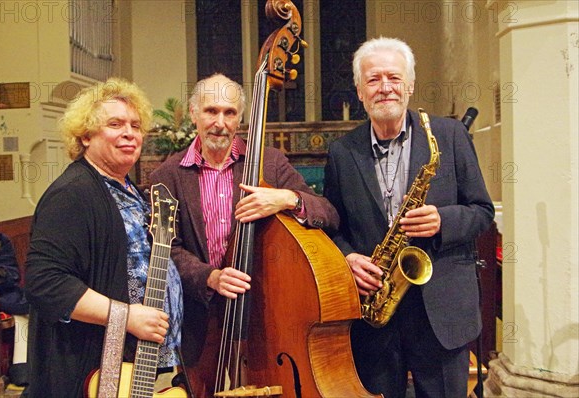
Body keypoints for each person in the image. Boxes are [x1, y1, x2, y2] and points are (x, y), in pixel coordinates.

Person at [323, 37, 495, 398]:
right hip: (375, 317)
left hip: (441, 314)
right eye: (373, 79)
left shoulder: (449, 136)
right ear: (359, 90)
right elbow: (334, 227)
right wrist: (347, 259)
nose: (385, 87)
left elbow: (482, 212)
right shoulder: (341, 152)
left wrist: (443, 221)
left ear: (410, 85)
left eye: (394, 77)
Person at [149, 73, 339, 368]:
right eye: (211, 111)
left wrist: (287, 198)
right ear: (193, 113)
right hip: (201, 320)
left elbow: (327, 213)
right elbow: (165, 249)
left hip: (264, 314)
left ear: (240, 118)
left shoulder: (270, 163)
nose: (220, 123)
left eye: (230, 112)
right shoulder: (167, 175)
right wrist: (210, 276)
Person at [24, 78, 183, 397]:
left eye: (136, 125)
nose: (129, 133)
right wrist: (127, 316)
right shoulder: (72, 194)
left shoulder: (127, 191)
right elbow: (45, 283)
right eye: (115, 124)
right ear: (85, 135)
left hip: (137, 363)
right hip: (90, 372)